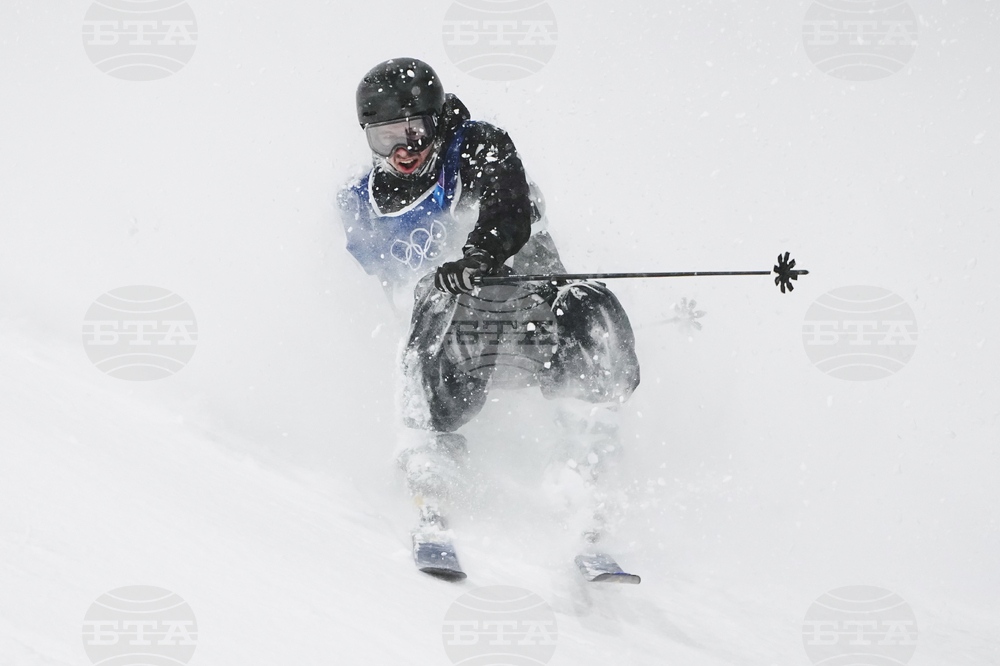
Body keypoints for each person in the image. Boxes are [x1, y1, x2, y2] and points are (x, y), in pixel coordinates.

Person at [337, 57, 641, 571]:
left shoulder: (475, 146)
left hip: (534, 319)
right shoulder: (360, 202)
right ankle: (430, 477)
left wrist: (479, 255)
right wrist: (432, 290)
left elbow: (507, 207)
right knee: (434, 299)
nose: (404, 150)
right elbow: (391, 285)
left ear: (436, 120)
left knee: (592, 307)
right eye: (384, 138)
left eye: (414, 130)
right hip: (457, 343)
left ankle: (586, 487)